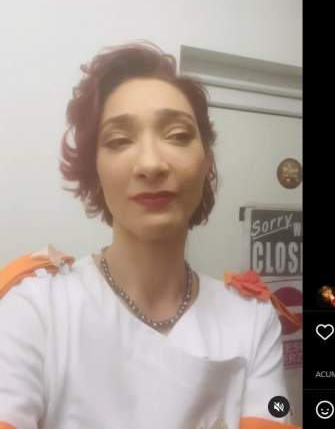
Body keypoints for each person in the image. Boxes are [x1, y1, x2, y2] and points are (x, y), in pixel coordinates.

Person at [0, 42, 299, 429]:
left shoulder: (253, 319)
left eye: (177, 134)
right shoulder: (35, 308)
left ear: (206, 162)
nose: (152, 164)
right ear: (95, 169)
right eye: (119, 141)